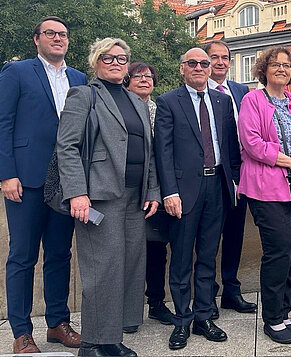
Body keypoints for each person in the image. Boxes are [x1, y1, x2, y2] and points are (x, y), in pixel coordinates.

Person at [57, 37, 160, 356]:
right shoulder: (84, 95)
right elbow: (67, 146)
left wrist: (153, 189)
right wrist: (77, 192)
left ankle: (113, 335)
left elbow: (149, 152)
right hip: (99, 196)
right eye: (109, 58)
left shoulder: (136, 102)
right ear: (96, 61)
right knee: (102, 270)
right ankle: (93, 344)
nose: (116, 63)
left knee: (129, 266)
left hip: (134, 196)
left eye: (122, 58)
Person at [0, 16, 86, 353]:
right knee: (22, 256)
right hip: (26, 179)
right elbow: (2, 124)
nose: (58, 39)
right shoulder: (17, 72)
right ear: (36, 39)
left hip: (66, 181)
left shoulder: (78, 77)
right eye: (50, 33)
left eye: (63, 34)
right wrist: (6, 173)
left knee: (60, 254)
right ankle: (21, 331)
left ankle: (57, 324)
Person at [154, 48, 241, 349]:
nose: (200, 68)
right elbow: (162, 152)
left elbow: (230, 146)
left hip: (217, 186)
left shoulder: (222, 101)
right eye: (193, 63)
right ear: (182, 69)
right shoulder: (168, 102)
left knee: (207, 256)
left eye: (204, 63)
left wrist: (236, 182)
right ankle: (182, 320)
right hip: (184, 190)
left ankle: (204, 315)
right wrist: (169, 192)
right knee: (181, 259)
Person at [237, 46, 291, 344]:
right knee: (278, 251)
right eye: (275, 65)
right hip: (266, 188)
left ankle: (284, 313)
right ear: (264, 69)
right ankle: (271, 318)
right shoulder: (252, 100)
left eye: (286, 65)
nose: (281, 69)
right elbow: (252, 144)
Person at [203, 40, 256, 316]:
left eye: (225, 57)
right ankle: (208, 295)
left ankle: (231, 291)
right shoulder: (200, 92)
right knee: (210, 238)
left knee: (235, 234)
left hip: (241, 172)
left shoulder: (241, 91)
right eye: (214, 57)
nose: (220, 62)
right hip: (213, 175)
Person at [124, 62, 175, 326]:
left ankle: (156, 302)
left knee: (156, 249)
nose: (144, 79)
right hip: (127, 190)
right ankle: (127, 308)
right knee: (128, 252)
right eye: (138, 76)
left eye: (149, 76)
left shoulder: (160, 108)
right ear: (127, 80)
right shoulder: (121, 107)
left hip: (157, 190)